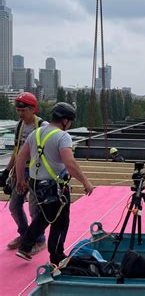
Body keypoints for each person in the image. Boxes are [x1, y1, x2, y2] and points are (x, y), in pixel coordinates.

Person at [14, 102, 95, 263]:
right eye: (70, 121)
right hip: (54, 186)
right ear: (65, 121)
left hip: (36, 184)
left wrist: (21, 180)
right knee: (61, 220)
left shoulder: (36, 133)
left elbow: (21, 157)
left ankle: (26, 245)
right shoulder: (62, 136)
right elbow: (70, 163)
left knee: (45, 215)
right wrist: (86, 182)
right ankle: (56, 256)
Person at [2, 93, 47, 253]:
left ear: (32, 109)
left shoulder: (42, 126)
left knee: (35, 209)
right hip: (20, 171)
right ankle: (25, 234)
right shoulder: (19, 126)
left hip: (36, 173)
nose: (20, 113)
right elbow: (17, 152)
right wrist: (7, 171)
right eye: (18, 110)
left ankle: (39, 239)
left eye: (23, 110)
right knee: (14, 206)